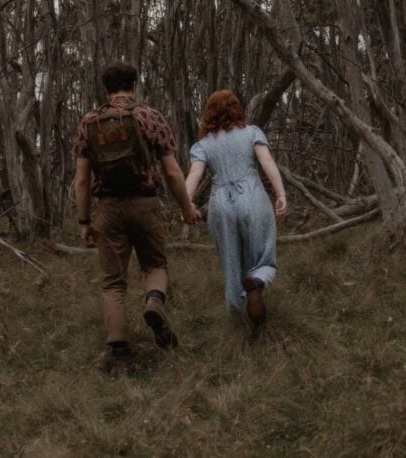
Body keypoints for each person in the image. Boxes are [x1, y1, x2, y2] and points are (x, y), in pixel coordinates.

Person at [73, 61, 202, 375]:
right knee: (155, 264)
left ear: (106, 89)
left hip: (107, 208)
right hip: (145, 205)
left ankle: (120, 355)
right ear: (134, 86)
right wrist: (186, 207)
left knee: (113, 284)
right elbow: (172, 172)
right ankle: (154, 300)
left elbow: (81, 180)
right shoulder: (149, 116)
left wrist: (84, 222)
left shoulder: (89, 122)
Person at [184, 90, 286, 328]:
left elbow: (194, 175)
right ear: (236, 109)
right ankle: (257, 282)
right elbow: (267, 163)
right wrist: (280, 194)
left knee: (231, 263)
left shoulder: (204, 145)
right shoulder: (251, 133)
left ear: (209, 113)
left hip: (221, 204)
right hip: (253, 198)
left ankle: (237, 320)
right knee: (263, 256)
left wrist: (185, 202)